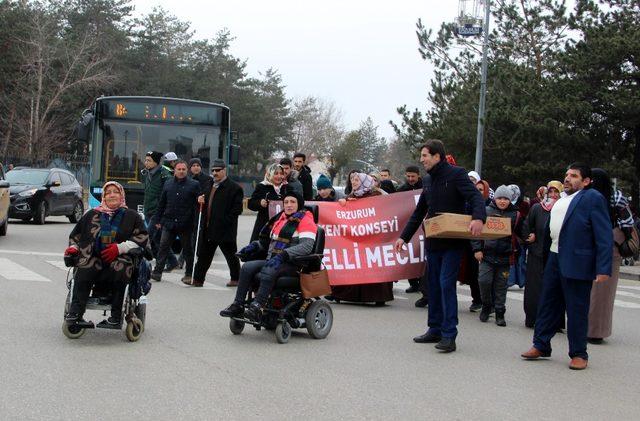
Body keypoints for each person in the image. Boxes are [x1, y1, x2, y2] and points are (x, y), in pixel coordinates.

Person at [521, 163, 613, 370]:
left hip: (577, 261)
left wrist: (603, 267)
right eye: (566, 175)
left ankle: (579, 353)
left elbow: (604, 235)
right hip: (554, 256)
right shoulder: (561, 198)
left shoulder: (592, 198)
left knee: (576, 309)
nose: (568, 178)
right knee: (548, 304)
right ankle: (541, 345)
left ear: (586, 181)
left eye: (574, 176)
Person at [406, 140, 486, 353]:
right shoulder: (429, 180)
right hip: (433, 243)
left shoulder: (457, 174)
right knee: (433, 285)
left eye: (424, 156)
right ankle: (435, 329)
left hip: (452, 242)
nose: (421, 160)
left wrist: (479, 218)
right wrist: (402, 239)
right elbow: (419, 212)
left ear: (437, 156)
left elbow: (476, 197)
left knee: (445, 284)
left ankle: (450, 335)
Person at [219, 191, 317, 321]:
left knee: (269, 269)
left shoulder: (305, 220)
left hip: (293, 264)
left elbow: (306, 247)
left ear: (299, 204)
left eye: (292, 202)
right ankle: (238, 305)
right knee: (247, 267)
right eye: (286, 202)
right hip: (273, 260)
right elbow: (267, 243)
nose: (288, 205)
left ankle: (258, 306)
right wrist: (254, 246)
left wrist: (283, 255)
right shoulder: (280, 218)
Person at [64, 181, 148, 328]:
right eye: (108, 192)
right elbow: (76, 237)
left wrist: (120, 248)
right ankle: (75, 314)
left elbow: (142, 239)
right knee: (84, 267)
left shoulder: (132, 216)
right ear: (103, 196)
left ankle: (116, 317)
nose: (112, 195)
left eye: (115, 192)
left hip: (120, 257)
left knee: (121, 267)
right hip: (93, 257)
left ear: (121, 195)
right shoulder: (91, 215)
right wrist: (73, 248)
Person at [331, 172, 394, 305]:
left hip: (372, 238)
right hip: (355, 238)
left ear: (365, 182)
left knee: (373, 264)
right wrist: (344, 203)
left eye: (357, 180)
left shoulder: (376, 196)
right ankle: (341, 294)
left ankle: (378, 296)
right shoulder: (351, 196)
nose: (353, 182)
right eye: (352, 180)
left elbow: (381, 213)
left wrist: (360, 204)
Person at [587, 168, 634, 344]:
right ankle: (593, 330)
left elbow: (627, 225)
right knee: (599, 293)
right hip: (601, 248)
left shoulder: (613, 198)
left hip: (607, 249)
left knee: (600, 293)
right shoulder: (612, 196)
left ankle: (595, 331)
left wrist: (607, 237)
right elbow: (627, 223)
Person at [471, 185, 521, 327]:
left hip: (505, 256)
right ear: (495, 198)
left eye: (506, 199)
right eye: (500, 198)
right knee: (484, 281)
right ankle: (487, 305)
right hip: (487, 255)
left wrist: (529, 236)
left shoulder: (515, 214)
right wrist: (477, 249)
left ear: (510, 200)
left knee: (501, 286)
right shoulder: (485, 211)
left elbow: (521, 231)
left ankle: (500, 312)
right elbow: (475, 232)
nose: (502, 201)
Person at [190, 160, 244, 288]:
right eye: (213, 170)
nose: (215, 173)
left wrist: (225, 221)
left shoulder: (234, 188)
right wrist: (200, 200)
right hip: (209, 227)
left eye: (218, 170)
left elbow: (237, 210)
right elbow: (202, 199)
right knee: (204, 255)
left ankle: (236, 278)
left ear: (224, 170)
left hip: (225, 229)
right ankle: (197, 279)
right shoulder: (209, 184)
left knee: (231, 255)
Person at [151, 160, 200, 283]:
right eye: (179, 169)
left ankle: (189, 274)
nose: (181, 171)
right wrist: (157, 219)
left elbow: (199, 202)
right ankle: (157, 272)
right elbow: (162, 203)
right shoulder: (167, 184)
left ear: (187, 170)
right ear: (175, 171)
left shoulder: (194, 184)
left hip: (186, 223)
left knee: (188, 250)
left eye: (184, 169)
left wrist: (200, 200)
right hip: (168, 222)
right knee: (163, 247)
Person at [522, 180, 562, 328]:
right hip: (537, 254)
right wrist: (530, 237)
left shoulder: (563, 209)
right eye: (550, 192)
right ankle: (532, 318)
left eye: (556, 192)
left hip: (555, 254)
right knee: (534, 288)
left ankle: (554, 322)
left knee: (554, 289)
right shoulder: (537, 209)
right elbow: (526, 227)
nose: (552, 195)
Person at [395, 165, 425, 298]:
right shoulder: (401, 190)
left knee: (423, 254)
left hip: (424, 225)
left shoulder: (425, 186)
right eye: (408, 176)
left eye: (413, 176)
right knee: (410, 253)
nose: (411, 179)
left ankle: (423, 283)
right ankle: (413, 282)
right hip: (409, 227)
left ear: (418, 175)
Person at [142, 151, 175, 265]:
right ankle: (171, 260)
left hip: (158, 212)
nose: (146, 162)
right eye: (145, 160)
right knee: (158, 238)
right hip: (148, 210)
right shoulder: (147, 173)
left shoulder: (164, 174)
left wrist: (164, 211)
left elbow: (169, 193)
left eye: (149, 160)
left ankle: (143, 260)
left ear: (156, 162)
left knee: (148, 236)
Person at [248, 163, 289, 242]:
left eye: (281, 174)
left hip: (282, 226)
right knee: (261, 250)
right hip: (264, 225)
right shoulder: (262, 186)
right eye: (276, 173)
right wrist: (260, 203)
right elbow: (251, 204)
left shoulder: (286, 187)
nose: (279, 176)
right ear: (270, 174)